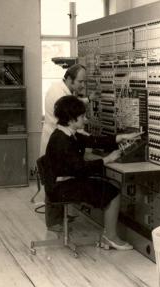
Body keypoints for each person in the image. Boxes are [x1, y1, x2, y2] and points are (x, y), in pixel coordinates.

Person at [43, 95, 141, 249]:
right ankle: (110, 237)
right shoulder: (62, 140)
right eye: (82, 116)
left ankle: (109, 233)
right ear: (71, 120)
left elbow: (94, 140)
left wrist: (122, 137)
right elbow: (80, 168)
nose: (86, 119)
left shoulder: (66, 134)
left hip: (61, 183)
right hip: (61, 188)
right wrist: (107, 159)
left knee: (106, 184)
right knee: (113, 192)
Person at [40, 64, 95, 228]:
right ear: (69, 79)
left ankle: (57, 219)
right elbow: (69, 115)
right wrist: (89, 138)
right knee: (55, 182)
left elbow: (74, 103)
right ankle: (54, 221)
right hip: (56, 141)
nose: (82, 85)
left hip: (56, 139)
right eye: (80, 81)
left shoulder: (60, 88)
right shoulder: (59, 93)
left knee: (55, 180)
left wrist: (87, 100)